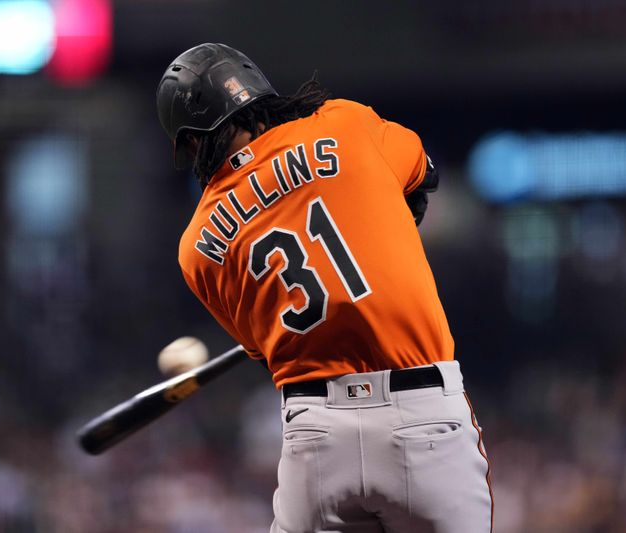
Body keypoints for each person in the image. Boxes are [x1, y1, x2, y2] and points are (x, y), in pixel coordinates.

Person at [157, 43, 493, 533]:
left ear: (191, 142)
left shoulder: (197, 248)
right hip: (423, 416)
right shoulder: (341, 123)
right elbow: (422, 177)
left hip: (316, 436)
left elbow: (261, 347)